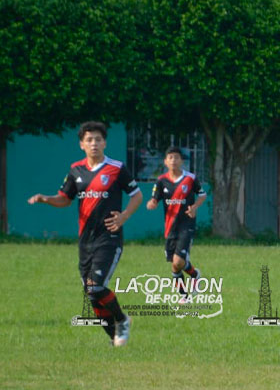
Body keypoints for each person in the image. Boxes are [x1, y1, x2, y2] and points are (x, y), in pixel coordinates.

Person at [28, 121, 141, 346]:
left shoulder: (117, 168)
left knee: (96, 286)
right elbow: (65, 199)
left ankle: (122, 319)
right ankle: (114, 338)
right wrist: (46, 199)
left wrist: (123, 216)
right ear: (82, 144)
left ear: (105, 142)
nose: (94, 144)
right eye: (89, 140)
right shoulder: (76, 170)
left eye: (98, 139)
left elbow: (136, 196)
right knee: (92, 295)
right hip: (85, 241)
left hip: (109, 238)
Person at [146, 147, 205, 302]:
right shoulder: (161, 181)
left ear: (181, 161)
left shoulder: (190, 179)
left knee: (178, 261)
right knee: (175, 265)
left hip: (186, 224)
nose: (173, 160)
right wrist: (152, 203)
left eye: (176, 157)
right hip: (170, 227)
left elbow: (202, 195)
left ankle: (186, 295)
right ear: (166, 161)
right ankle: (193, 278)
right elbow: (155, 198)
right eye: (170, 157)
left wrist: (195, 207)